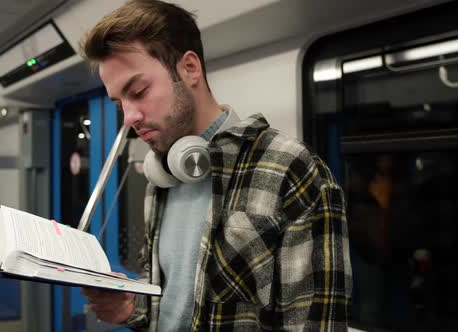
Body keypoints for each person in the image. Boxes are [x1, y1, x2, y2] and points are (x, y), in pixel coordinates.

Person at [79, 0, 352, 330]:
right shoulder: (161, 178)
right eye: (119, 102)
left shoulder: (289, 170)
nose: (129, 117)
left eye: (138, 91)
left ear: (190, 69)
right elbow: (172, 298)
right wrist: (131, 306)